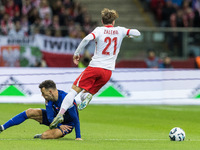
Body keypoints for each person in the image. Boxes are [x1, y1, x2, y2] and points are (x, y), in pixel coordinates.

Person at [49, 8, 141, 129]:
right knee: (86, 92)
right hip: (108, 72)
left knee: (73, 91)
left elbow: (86, 39)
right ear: (113, 22)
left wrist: (77, 53)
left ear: (102, 21)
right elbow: (137, 33)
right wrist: (127, 34)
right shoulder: (120, 31)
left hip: (95, 67)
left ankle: (61, 114)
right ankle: (87, 96)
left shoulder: (99, 30)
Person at [0, 80, 82, 140]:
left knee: (45, 136)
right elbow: (50, 118)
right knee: (30, 111)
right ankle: (2, 127)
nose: (42, 95)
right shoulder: (48, 100)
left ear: (50, 91)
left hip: (67, 125)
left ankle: (42, 136)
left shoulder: (66, 99)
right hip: (55, 120)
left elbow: (75, 118)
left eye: (43, 93)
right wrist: (59, 125)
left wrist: (78, 137)